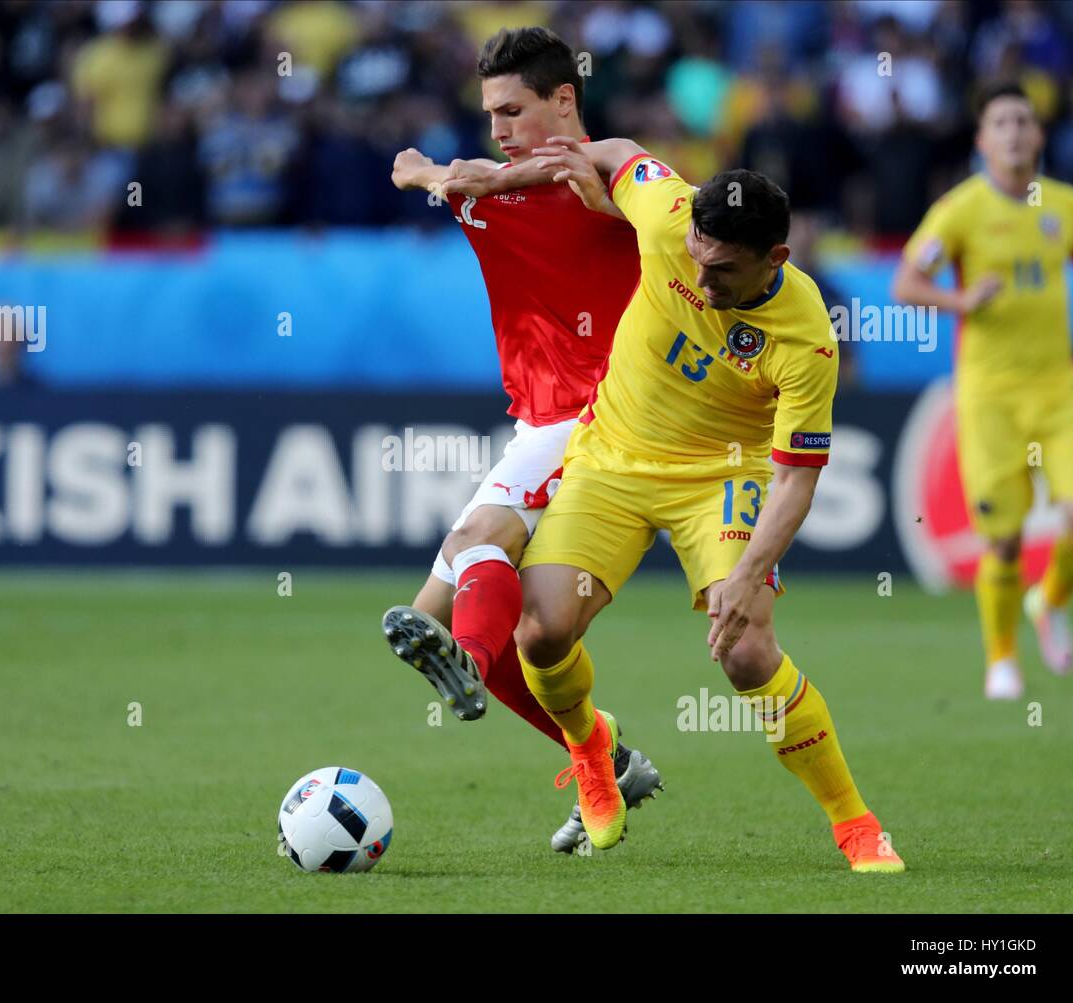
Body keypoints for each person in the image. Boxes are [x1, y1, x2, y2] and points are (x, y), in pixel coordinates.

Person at [444, 138, 905, 872]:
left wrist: (750, 573)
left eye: (722, 270)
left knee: (748, 651)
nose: (699, 274)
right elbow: (611, 152)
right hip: (612, 458)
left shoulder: (807, 336)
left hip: (720, 479)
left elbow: (796, 478)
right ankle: (593, 750)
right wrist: (495, 176)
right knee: (541, 632)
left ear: (774, 261)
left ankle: (855, 823)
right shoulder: (666, 214)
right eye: (695, 253)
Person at [386, 27, 661, 853]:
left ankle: (482, 669)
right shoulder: (478, 182)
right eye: (490, 114)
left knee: (475, 559)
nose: (499, 127)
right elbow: (403, 164)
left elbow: (598, 161)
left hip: (603, 411)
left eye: (515, 110)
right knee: (422, 616)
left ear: (564, 98)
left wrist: (491, 174)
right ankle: (605, 754)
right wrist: (442, 175)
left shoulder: (608, 179)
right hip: (536, 418)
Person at [893, 81, 1073, 700]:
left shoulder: (1067, 205)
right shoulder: (961, 209)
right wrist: (959, 300)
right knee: (1003, 536)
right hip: (990, 395)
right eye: (1001, 121)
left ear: (1039, 135)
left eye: (1024, 120)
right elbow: (905, 283)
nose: (1014, 131)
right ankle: (1001, 659)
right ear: (982, 139)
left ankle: (1048, 600)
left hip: (1058, 388)